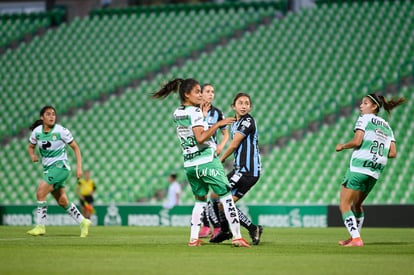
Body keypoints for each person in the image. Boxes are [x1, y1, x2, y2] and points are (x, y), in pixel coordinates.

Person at [152, 78, 250, 247]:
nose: (201, 95)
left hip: (190, 164)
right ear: (186, 94)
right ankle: (237, 237)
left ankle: (193, 239)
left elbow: (191, 129)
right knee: (226, 196)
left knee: (200, 200)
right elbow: (200, 137)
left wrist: (203, 118)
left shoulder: (178, 112)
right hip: (206, 160)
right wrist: (218, 123)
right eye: (197, 92)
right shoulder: (195, 112)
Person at [335, 93, 406, 247]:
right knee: (357, 205)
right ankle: (354, 236)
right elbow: (393, 153)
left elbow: (357, 141)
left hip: (359, 167)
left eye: (365, 103)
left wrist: (343, 146)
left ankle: (356, 239)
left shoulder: (364, 119)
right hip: (374, 172)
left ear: (374, 107)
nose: (361, 106)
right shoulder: (387, 126)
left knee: (344, 205)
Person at [27, 106, 91, 237]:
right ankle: (83, 221)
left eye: (53, 114)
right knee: (62, 200)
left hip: (60, 167)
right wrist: (32, 155)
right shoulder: (37, 132)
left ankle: (40, 226)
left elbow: (76, 148)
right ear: (42, 117)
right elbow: (30, 146)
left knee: (40, 192)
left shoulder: (61, 131)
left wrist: (79, 168)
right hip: (48, 169)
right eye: (48, 114)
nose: (52, 116)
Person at [210, 92, 263, 245]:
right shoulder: (234, 123)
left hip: (246, 170)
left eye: (247, 103)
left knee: (217, 197)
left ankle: (230, 230)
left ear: (250, 107)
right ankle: (246, 229)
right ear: (233, 106)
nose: (244, 106)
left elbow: (234, 144)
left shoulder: (247, 122)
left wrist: (221, 159)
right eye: (240, 103)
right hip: (243, 170)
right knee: (222, 202)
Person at [199, 83, 229, 238]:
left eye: (213, 92)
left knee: (214, 191)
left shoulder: (217, 113)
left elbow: (226, 134)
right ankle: (206, 225)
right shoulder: (194, 112)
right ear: (201, 94)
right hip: (197, 154)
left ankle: (216, 226)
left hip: (211, 154)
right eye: (208, 91)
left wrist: (221, 146)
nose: (211, 94)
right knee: (201, 192)